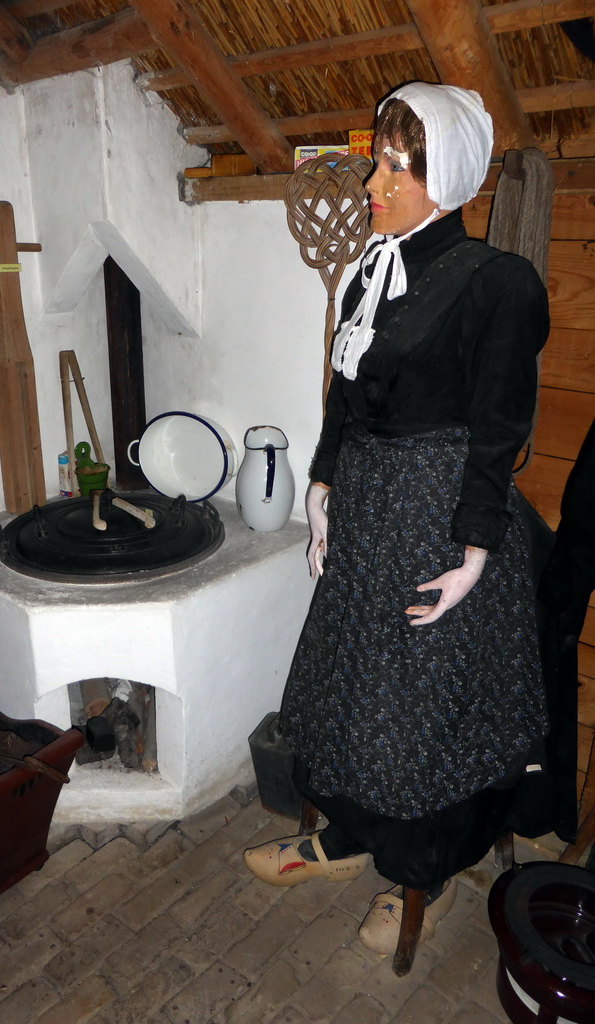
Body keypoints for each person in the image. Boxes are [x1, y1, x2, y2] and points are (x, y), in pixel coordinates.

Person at [243, 81, 550, 954]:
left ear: (444, 177)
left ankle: (422, 871)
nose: (373, 182)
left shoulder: (497, 283)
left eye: (395, 165)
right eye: (378, 159)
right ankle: (346, 835)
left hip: (440, 520)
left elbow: (498, 435)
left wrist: (476, 552)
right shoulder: (372, 273)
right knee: (351, 689)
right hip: (370, 514)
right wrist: (321, 486)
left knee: (423, 711)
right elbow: (347, 399)